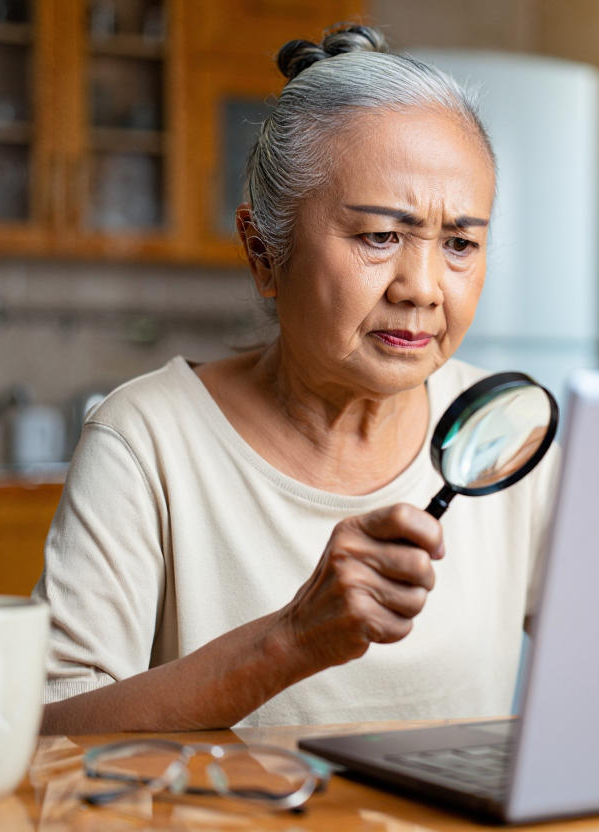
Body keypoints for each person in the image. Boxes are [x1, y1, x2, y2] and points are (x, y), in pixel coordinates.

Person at [34, 24, 559, 734]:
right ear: (262, 252)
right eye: (380, 236)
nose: (424, 287)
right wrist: (291, 639)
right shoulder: (147, 439)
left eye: (461, 243)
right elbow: (50, 735)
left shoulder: (502, 431)